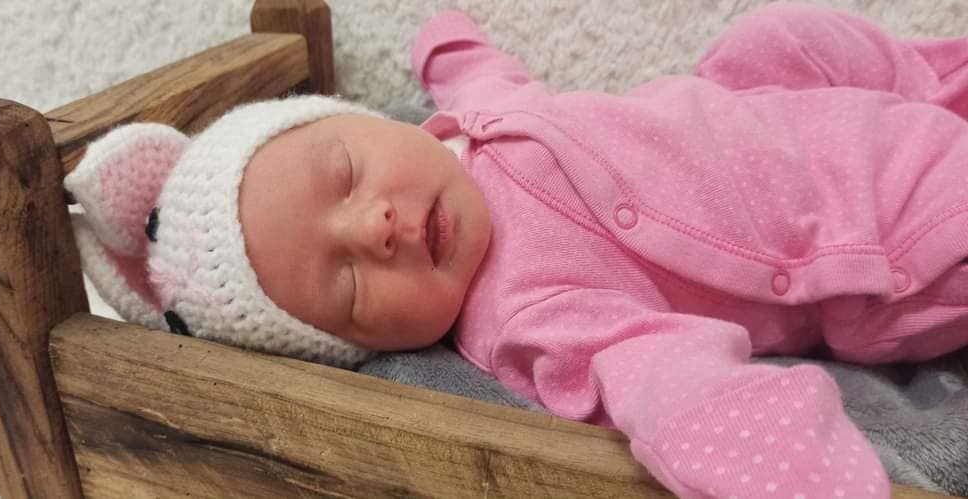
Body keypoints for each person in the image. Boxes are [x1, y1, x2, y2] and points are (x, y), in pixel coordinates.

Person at [65, 3, 968, 497]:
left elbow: (491, 78)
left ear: (361, 120)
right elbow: (669, 379)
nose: (373, 227)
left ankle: (935, 81)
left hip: (795, 117)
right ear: (360, 348)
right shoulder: (523, 313)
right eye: (347, 284)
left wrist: (448, 44)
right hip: (883, 238)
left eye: (344, 172)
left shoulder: (467, 128)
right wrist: (800, 473)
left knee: (777, 36)